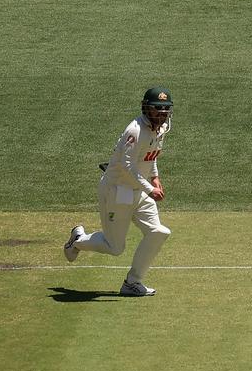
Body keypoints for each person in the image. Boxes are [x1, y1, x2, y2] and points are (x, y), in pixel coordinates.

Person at [63, 87, 175, 296]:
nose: (161, 114)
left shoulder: (161, 128)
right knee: (115, 248)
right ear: (146, 109)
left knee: (158, 232)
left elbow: (150, 156)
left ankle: (132, 283)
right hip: (118, 191)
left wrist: (155, 177)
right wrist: (150, 189)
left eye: (165, 110)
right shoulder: (135, 131)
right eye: (157, 110)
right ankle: (77, 240)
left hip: (139, 191)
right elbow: (128, 166)